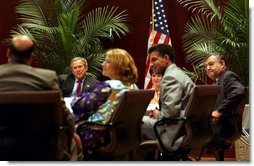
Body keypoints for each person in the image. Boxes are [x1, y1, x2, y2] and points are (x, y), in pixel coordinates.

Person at [0, 35, 83, 160]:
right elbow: (63, 115)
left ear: (8, 53)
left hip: (3, 145)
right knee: (72, 144)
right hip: (43, 147)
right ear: (31, 56)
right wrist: (71, 133)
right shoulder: (47, 78)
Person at [71, 48, 139, 159]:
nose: (103, 64)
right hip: (123, 136)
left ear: (117, 66)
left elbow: (79, 105)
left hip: (96, 134)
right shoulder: (133, 87)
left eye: (107, 61)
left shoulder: (108, 86)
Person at [141, 44, 195, 152]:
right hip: (189, 128)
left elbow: (170, 113)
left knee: (135, 123)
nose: (151, 65)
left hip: (174, 132)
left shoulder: (170, 77)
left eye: (154, 60)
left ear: (166, 58)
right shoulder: (179, 74)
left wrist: (157, 114)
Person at [204, 54, 245, 150]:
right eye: (206, 67)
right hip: (216, 125)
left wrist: (219, 111)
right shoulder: (217, 81)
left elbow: (239, 91)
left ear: (222, 64)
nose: (208, 68)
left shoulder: (227, 76)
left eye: (211, 64)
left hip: (222, 127)